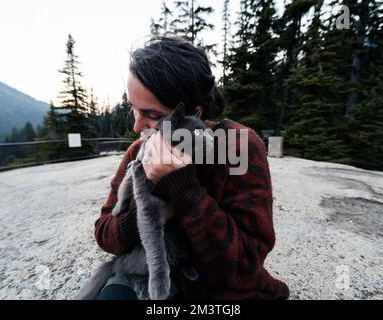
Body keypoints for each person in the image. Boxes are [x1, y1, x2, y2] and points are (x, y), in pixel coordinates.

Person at [94, 35, 289, 300]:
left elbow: (246, 263)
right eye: (133, 109)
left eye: (153, 115)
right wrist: (149, 206)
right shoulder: (138, 151)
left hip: (216, 291)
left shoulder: (237, 147)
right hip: (147, 281)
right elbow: (106, 234)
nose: (136, 127)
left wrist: (184, 190)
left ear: (194, 114)